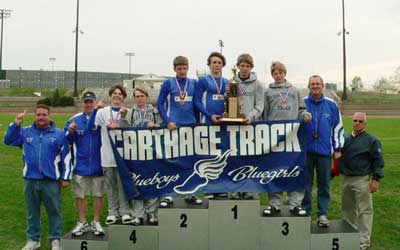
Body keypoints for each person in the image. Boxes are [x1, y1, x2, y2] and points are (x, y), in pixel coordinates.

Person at [4, 104, 71, 250]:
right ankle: (33, 239)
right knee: (32, 212)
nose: (41, 117)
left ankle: (56, 239)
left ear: (49, 116)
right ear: (35, 116)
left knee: (55, 211)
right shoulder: (25, 132)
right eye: (38, 115)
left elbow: (66, 157)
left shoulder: (59, 134)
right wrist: (16, 124)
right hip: (30, 180)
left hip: (51, 181)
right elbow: (8, 140)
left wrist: (66, 177)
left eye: (44, 115)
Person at [262, 61, 311, 216]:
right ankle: (274, 203)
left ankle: (295, 204)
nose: (278, 75)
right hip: (274, 138)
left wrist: (305, 115)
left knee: (294, 170)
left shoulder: (294, 90)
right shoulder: (267, 92)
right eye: (275, 73)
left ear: (285, 73)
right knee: (274, 171)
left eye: (280, 72)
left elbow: (302, 109)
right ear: (272, 75)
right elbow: (264, 114)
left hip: (292, 137)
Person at [157, 55, 202, 207]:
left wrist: (197, 123)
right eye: (179, 68)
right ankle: (169, 194)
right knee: (172, 161)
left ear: (188, 68)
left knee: (190, 161)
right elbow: (160, 103)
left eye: (184, 68)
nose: (182, 71)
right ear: (174, 69)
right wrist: (167, 120)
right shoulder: (168, 83)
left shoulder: (193, 83)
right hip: (173, 127)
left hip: (190, 126)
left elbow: (196, 104)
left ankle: (191, 193)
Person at [87, 85, 134, 225]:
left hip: (123, 157)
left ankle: (125, 211)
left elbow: (133, 132)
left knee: (122, 186)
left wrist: (124, 119)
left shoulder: (128, 112)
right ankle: (113, 212)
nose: (117, 95)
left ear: (124, 97)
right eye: (115, 93)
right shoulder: (103, 112)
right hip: (107, 155)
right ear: (110, 96)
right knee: (110, 186)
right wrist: (95, 109)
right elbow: (90, 127)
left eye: (120, 94)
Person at [301, 75, 344, 226]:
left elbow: (338, 128)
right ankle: (305, 211)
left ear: (323, 85)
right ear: (308, 86)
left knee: (324, 184)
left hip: (325, 152)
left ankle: (322, 214)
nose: (315, 86)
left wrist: (337, 148)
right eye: (312, 84)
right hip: (306, 151)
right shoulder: (303, 103)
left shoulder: (332, 105)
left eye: (317, 84)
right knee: (305, 183)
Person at [340, 112, 384, 250]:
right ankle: (349, 237)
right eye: (355, 120)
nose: (357, 123)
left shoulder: (372, 140)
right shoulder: (345, 138)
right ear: (351, 122)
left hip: (362, 179)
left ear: (365, 124)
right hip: (345, 179)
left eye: (360, 121)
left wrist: (376, 179)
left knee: (365, 211)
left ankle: (363, 241)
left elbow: (378, 161)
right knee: (348, 210)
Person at [64, 91, 105, 236]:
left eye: (90, 101)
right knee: (80, 195)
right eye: (86, 102)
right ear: (83, 103)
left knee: (98, 194)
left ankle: (96, 221)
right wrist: (70, 131)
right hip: (80, 165)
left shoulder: (102, 118)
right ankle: (82, 221)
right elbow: (66, 140)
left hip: (99, 165)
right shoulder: (74, 120)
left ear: (94, 102)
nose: (88, 104)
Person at [119, 87, 160, 225]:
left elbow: (162, 126)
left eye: (142, 96)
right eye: (137, 96)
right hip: (135, 153)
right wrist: (123, 117)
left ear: (147, 97)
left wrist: (155, 125)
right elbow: (124, 129)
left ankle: (152, 212)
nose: (140, 98)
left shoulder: (154, 111)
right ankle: (138, 213)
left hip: (151, 152)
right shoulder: (130, 112)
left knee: (152, 182)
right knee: (137, 183)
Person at [229, 53, 265, 200]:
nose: (244, 68)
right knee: (234, 158)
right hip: (234, 127)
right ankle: (235, 189)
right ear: (238, 66)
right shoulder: (231, 82)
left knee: (250, 159)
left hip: (250, 127)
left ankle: (249, 190)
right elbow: (229, 103)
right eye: (242, 65)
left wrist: (249, 117)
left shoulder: (258, 85)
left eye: (247, 66)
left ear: (251, 67)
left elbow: (260, 105)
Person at [194, 51, 229, 199]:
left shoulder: (227, 82)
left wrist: (228, 115)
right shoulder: (204, 81)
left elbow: (230, 101)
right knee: (208, 156)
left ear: (223, 65)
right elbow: (196, 101)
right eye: (214, 62)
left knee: (222, 155)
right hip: (207, 122)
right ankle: (208, 188)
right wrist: (209, 115)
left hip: (223, 123)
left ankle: (221, 186)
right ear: (209, 64)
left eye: (219, 62)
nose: (216, 65)